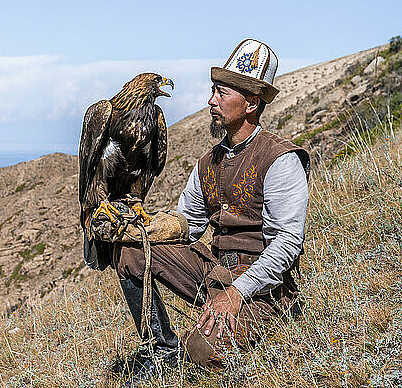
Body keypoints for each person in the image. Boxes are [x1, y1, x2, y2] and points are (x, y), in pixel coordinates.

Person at [113, 39, 310, 387]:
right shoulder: (209, 161)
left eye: (221, 94)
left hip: (262, 291)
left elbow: (287, 243)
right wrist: (146, 228)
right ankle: (160, 349)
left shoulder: (280, 159)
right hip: (213, 274)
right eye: (213, 91)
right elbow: (187, 224)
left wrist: (236, 294)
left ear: (250, 103)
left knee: (202, 353)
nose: (211, 101)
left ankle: (264, 325)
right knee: (130, 253)